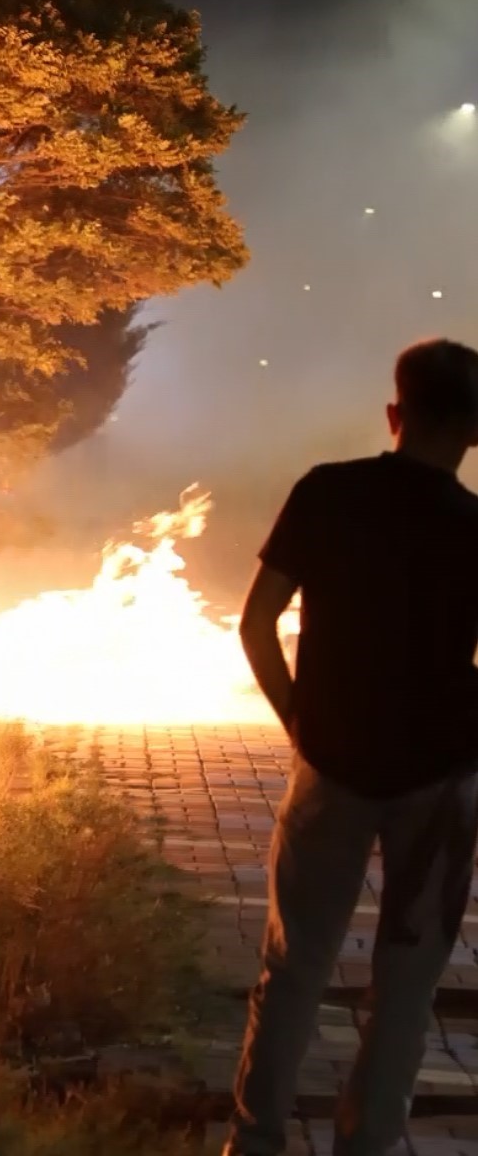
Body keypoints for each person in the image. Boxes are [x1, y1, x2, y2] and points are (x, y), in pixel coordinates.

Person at [226, 338, 478, 1156]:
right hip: (440, 781)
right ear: (474, 431)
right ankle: (367, 1145)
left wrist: (297, 716)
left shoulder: (326, 494)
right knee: (406, 989)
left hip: (330, 763)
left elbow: (257, 621)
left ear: (394, 414)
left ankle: (256, 1142)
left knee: (294, 968)